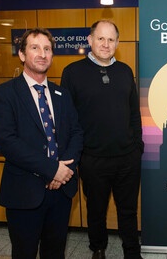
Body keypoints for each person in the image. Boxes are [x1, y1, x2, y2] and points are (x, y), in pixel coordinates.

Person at [0, 28, 84, 259]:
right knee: (25, 253)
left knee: (55, 252)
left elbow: (76, 132)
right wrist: (53, 170)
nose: (42, 54)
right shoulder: (4, 95)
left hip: (61, 191)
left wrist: (65, 170)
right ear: (22, 55)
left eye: (47, 49)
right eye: (35, 48)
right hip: (25, 192)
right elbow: (8, 143)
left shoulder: (62, 94)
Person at [61, 20, 144, 259]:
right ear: (90, 40)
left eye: (111, 39)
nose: (106, 44)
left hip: (127, 158)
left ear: (117, 43)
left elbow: (134, 114)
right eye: (100, 38)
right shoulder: (73, 72)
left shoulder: (125, 71)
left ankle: (132, 251)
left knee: (128, 210)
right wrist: (77, 156)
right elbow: (67, 119)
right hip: (92, 159)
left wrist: (137, 147)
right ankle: (98, 248)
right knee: (95, 210)